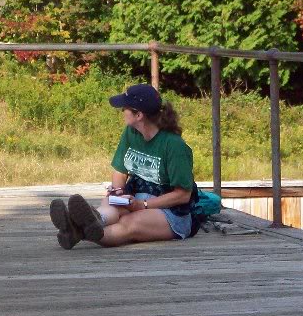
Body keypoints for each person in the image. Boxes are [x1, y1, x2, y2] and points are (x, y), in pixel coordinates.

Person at [50, 83, 198, 249]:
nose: (122, 111)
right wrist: (117, 192)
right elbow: (120, 171)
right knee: (110, 204)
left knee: (129, 222)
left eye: (125, 108)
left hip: (171, 211)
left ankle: (79, 230)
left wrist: (143, 205)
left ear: (139, 115)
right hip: (137, 198)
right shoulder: (131, 133)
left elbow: (183, 195)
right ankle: (96, 219)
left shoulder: (174, 146)